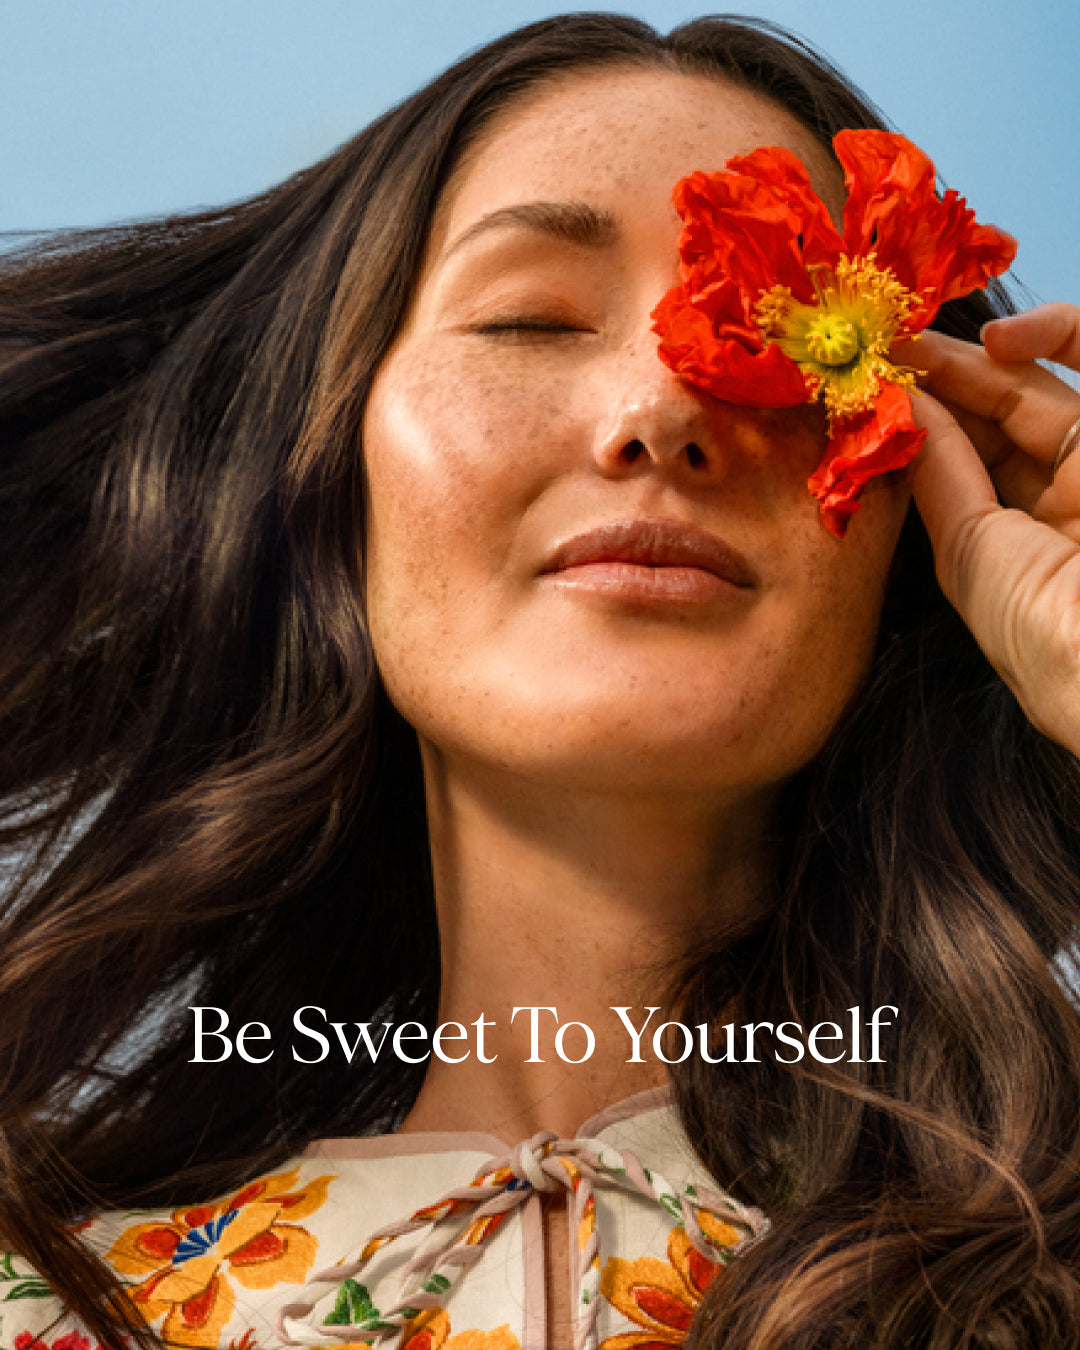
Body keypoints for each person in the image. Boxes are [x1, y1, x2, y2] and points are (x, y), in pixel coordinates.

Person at [3, 12, 1080, 1350]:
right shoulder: (50, 1303)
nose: (662, 407)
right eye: (526, 317)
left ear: (913, 527)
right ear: (336, 495)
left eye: (774, 337)